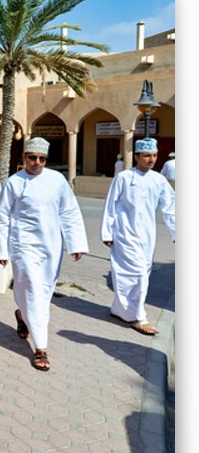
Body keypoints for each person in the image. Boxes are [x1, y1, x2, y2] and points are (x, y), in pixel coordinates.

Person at [0, 137, 88, 371]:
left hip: (51, 246)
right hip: (23, 245)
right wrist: (1, 249)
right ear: (24, 157)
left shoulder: (57, 180)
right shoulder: (15, 182)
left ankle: (23, 316)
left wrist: (76, 243)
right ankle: (41, 347)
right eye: (32, 157)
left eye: (41, 159)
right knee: (33, 288)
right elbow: (0, 217)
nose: (36, 162)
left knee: (43, 292)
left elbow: (69, 212)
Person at [101, 138, 175, 335]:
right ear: (136, 157)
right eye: (147, 156)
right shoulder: (124, 177)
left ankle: (120, 310)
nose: (151, 160)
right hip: (124, 232)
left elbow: (170, 207)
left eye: (154, 156)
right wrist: (107, 231)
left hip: (148, 235)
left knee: (139, 274)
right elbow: (111, 204)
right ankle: (139, 317)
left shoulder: (158, 180)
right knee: (137, 274)